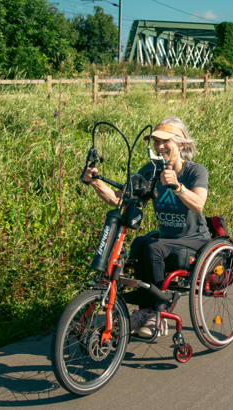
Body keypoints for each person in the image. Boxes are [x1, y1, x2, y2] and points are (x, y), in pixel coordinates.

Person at [82, 116, 211, 337]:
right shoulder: (150, 170)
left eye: (165, 142)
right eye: (155, 142)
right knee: (141, 243)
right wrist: (95, 181)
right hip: (168, 237)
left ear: (180, 144)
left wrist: (177, 187)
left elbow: (198, 204)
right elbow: (119, 199)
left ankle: (158, 315)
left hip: (195, 239)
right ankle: (145, 312)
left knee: (153, 248)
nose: (159, 147)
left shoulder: (195, 171)